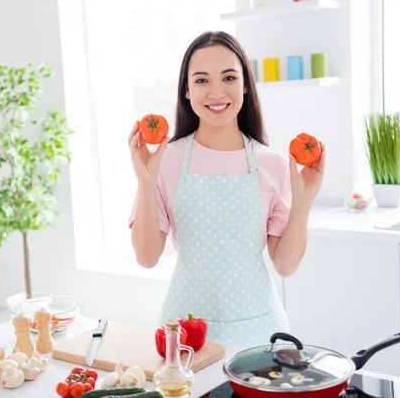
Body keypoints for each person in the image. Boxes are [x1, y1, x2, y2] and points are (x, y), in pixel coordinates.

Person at [127, 31, 325, 347]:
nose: (216, 92)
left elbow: (285, 265)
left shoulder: (273, 164)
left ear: (245, 84)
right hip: (185, 333)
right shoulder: (165, 160)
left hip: (258, 331)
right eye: (202, 80)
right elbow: (147, 257)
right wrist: (146, 181)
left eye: (228, 77)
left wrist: (303, 202)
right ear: (187, 91)